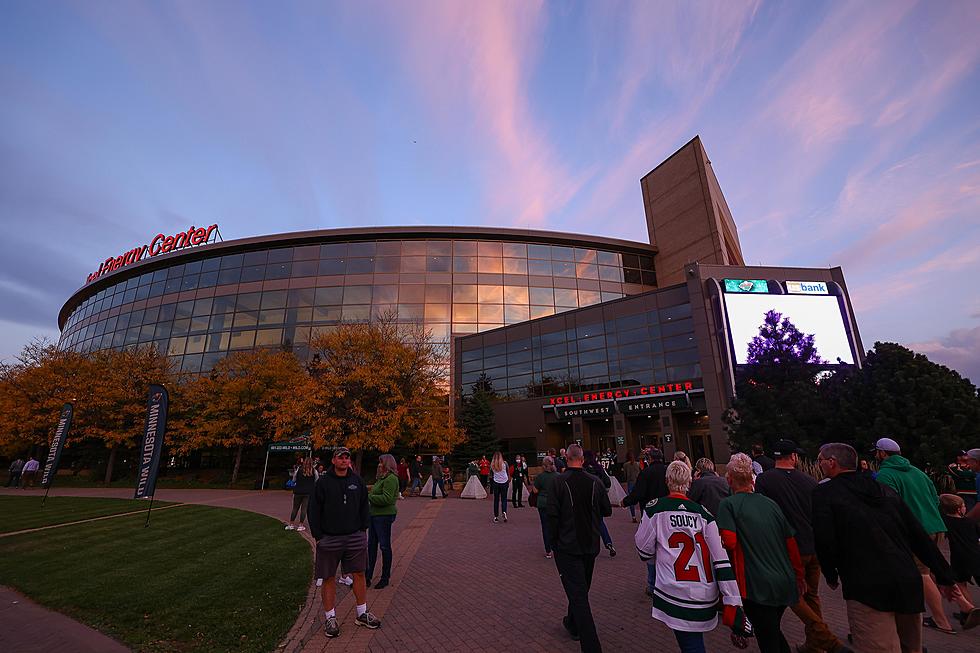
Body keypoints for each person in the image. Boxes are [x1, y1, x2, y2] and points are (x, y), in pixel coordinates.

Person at [813, 442, 959, 653]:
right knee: (911, 647)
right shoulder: (885, 490)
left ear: (832, 463)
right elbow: (916, 533)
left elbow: (824, 538)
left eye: (820, 461)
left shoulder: (825, 494)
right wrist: (944, 574)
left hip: (867, 585)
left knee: (878, 645)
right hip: (907, 580)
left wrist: (830, 573)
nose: (819, 465)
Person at [635, 461, 751, 653]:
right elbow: (722, 561)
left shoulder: (655, 509)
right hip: (705, 592)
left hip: (674, 591)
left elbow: (644, 551)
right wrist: (733, 602)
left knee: (691, 645)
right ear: (689, 482)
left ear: (667, 481)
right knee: (691, 642)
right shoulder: (704, 514)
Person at [755, 440, 843, 653]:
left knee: (792, 595)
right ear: (793, 456)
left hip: (788, 549)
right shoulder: (809, 481)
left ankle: (826, 639)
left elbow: (765, 516)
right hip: (812, 546)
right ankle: (815, 645)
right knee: (811, 595)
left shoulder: (764, 481)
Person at [717, 453, 804, 653]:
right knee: (771, 630)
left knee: (768, 638)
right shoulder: (770, 504)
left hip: (755, 583)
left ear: (729, 479)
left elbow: (729, 542)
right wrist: (798, 575)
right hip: (783, 579)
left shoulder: (728, 505)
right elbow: (790, 542)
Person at [873, 437, 955, 634]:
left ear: (882, 454)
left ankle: (941, 620)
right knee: (936, 570)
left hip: (915, 531)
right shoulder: (918, 471)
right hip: (936, 525)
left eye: (877, 451)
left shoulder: (885, 474)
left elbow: (888, 507)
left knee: (922, 575)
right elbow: (935, 498)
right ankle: (965, 604)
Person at [308, 447, 381, 637]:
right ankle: (330, 617)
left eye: (347, 457)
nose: (344, 460)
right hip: (329, 538)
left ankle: (361, 613)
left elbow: (364, 506)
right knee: (329, 576)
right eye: (340, 457)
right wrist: (319, 536)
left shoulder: (357, 481)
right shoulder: (323, 483)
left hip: (354, 536)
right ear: (333, 460)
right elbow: (313, 510)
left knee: (359, 574)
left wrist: (362, 530)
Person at [546, 444, 612, 652]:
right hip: (589, 545)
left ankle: (591, 646)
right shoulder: (595, 482)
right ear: (582, 460)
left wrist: (554, 542)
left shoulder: (559, 482)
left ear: (567, 459)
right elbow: (606, 511)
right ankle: (572, 623)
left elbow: (552, 516)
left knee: (579, 594)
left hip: (568, 546)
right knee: (580, 590)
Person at [623, 447, 670, 596]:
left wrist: (626, 501)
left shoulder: (646, 473)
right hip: (668, 513)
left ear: (649, 459)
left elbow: (639, 492)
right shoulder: (668, 471)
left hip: (650, 514)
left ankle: (652, 583)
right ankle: (668, 581)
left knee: (651, 549)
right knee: (667, 547)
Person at [938, 494, 980, 629]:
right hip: (976, 555)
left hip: (960, 557)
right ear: (959, 510)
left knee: (960, 583)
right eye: (963, 506)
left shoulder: (945, 521)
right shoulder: (970, 522)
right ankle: (968, 611)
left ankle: (969, 610)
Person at [366, 454, 399, 590]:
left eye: (381, 463)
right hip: (374, 515)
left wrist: (369, 496)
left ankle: (385, 577)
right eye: (379, 463)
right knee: (371, 546)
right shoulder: (381, 478)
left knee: (384, 546)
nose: (379, 465)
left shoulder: (391, 479)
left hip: (384, 516)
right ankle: (367, 576)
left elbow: (387, 499)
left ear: (387, 464)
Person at [583, 450, 616, 557]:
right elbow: (607, 482)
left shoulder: (583, 469)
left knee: (586, 522)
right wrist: (603, 492)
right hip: (598, 499)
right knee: (600, 522)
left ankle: (589, 545)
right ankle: (608, 543)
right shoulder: (598, 468)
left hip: (586, 498)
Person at [532, 455, 558, 558]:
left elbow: (535, 490)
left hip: (542, 503)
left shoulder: (540, 477)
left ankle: (548, 550)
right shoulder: (558, 476)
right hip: (555, 504)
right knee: (556, 525)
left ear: (543, 465)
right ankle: (556, 547)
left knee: (545, 526)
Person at [286, 457, 319, 531]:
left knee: (295, 508)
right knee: (304, 509)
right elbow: (317, 481)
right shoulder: (314, 471)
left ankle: (291, 524)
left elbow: (294, 480)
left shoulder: (299, 470)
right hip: (308, 492)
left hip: (298, 491)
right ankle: (301, 525)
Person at [490, 451, 510, 523]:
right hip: (504, 482)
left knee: (496, 500)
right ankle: (504, 511)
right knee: (504, 499)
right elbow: (508, 472)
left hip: (496, 482)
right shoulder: (505, 463)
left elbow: (491, 475)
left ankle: (496, 516)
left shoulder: (492, 464)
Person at [622, 453, 641, 523]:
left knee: (631, 499)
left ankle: (633, 516)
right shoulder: (638, 464)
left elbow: (625, 474)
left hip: (630, 482)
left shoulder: (625, 465)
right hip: (637, 482)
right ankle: (641, 515)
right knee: (640, 498)